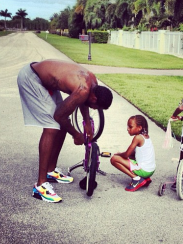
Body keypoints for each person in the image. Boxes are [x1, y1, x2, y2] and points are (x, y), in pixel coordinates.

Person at [17, 59, 113, 203]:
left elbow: (83, 101)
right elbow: (59, 115)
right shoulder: (84, 89)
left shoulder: (92, 83)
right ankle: (40, 186)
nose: (94, 109)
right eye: (95, 106)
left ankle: (50, 171)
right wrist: (75, 134)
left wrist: (87, 122)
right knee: (52, 125)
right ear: (94, 97)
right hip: (31, 78)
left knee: (62, 123)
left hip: (44, 79)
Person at [110, 115, 156, 192]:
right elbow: (132, 155)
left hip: (144, 170)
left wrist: (118, 154)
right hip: (150, 170)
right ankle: (144, 178)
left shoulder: (137, 138)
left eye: (130, 127)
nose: (128, 129)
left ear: (139, 128)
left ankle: (136, 179)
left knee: (114, 159)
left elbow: (126, 155)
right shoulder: (146, 137)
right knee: (130, 158)